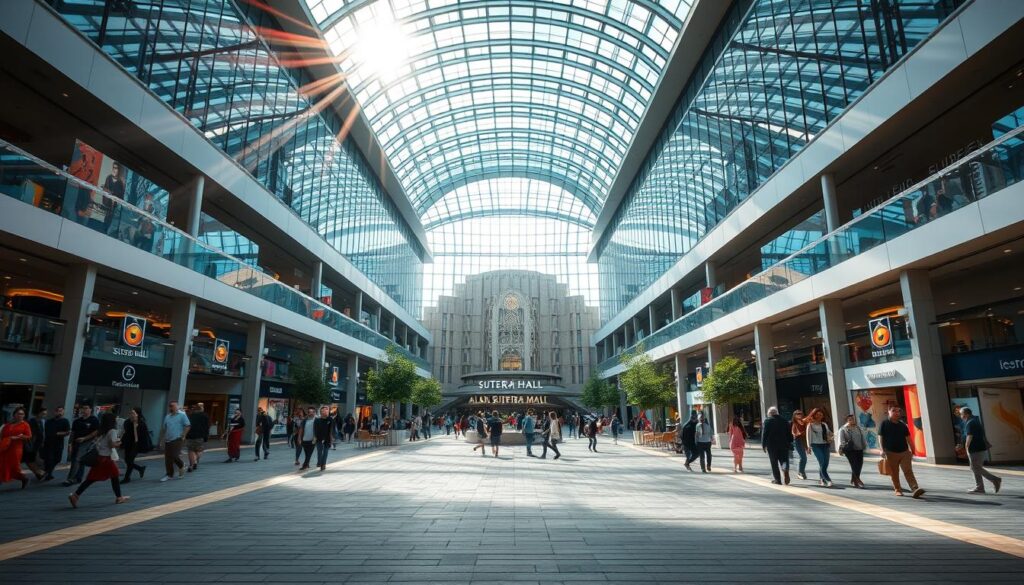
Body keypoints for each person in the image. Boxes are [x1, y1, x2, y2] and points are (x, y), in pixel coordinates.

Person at [68, 411, 129, 507]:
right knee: (113, 476)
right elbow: (112, 445)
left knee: (95, 478)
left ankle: (75, 495)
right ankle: (119, 498)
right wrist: (120, 442)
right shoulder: (112, 431)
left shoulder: (102, 431)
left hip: (100, 457)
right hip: (106, 459)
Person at [879, 406, 925, 498]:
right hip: (890, 452)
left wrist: (912, 450)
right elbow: (880, 437)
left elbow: (908, 438)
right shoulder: (884, 423)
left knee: (908, 471)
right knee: (894, 472)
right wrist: (882, 450)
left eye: (898, 411)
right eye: (893, 411)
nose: (896, 413)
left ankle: (914, 488)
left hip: (904, 452)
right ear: (888, 412)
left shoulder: (902, 425)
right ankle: (897, 489)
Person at [960, 407, 1002, 494]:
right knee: (975, 467)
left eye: (961, 414)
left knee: (975, 467)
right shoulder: (974, 421)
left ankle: (995, 480)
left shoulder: (970, 423)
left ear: (966, 414)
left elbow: (969, 436)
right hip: (979, 448)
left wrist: (966, 448)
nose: (961, 416)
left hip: (975, 449)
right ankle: (980, 487)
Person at [63, 404, 100, 486]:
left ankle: (70, 479)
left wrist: (85, 438)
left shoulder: (94, 420)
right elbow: (73, 433)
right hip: (76, 443)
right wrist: (69, 444)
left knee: (77, 459)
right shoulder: (77, 421)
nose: (84, 410)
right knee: (77, 460)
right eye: (83, 408)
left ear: (90, 410)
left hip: (87, 443)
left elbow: (96, 432)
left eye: (86, 408)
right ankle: (78, 478)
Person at [0, 406, 33, 489]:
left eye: (22, 414)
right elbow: (2, 436)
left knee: (14, 467)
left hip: (16, 449)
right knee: (2, 465)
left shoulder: (25, 425)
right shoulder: (8, 425)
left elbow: (29, 436)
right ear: (14, 415)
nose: (20, 415)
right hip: (5, 447)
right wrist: (8, 439)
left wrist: (19, 437)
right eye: (18, 414)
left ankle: (23, 478)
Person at [159, 401, 191, 482]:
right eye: (170, 406)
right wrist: (161, 440)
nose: (171, 407)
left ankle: (182, 465)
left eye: (172, 406)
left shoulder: (182, 415)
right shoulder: (167, 416)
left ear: (177, 406)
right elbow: (164, 429)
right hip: (168, 439)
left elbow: (188, 425)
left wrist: (183, 435)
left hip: (177, 439)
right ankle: (169, 474)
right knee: (168, 458)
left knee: (174, 455)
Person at [761, 406, 792, 484]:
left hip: (772, 446)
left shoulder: (767, 421)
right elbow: (789, 433)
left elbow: (764, 434)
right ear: (777, 413)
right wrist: (790, 442)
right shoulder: (784, 421)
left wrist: (763, 445)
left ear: (769, 414)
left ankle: (777, 480)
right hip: (784, 445)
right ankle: (785, 470)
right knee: (784, 460)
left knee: (774, 462)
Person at [805, 408, 834, 487]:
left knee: (825, 463)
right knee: (822, 462)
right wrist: (808, 447)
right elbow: (808, 436)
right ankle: (828, 480)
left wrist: (832, 436)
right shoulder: (810, 425)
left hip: (825, 445)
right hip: (815, 445)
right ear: (814, 415)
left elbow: (829, 433)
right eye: (817, 414)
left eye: (821, 414)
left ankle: (821, 479)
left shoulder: (824, 424)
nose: (819, 416)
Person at [121, 407, 149, 482]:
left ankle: (127, 478)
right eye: (131, 413)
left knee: (130, 460)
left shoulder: (141, 424)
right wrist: (121, 441)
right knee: (127, 460)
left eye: (133, 413)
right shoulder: (127, 422)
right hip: (128, 443)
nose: (131, 415)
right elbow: (125, 433)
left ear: (138, 414)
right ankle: (140, 468)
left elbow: (138, 438)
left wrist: (135, 426)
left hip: (136, 444)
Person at [43, 406, 71, 481]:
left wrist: (59, 433)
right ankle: (48, 473)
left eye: (61, 411)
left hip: (59, 443)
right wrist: (59, 433)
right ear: (55, 412)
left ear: (63, 412)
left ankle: (47, 472)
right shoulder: (49, 421)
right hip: (49, 443)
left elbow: (68, 432)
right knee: (49, 459)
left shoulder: (65, 421)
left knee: (58, 459)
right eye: (58, 411)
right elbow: (48, 432)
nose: (60, 412)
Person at [837, 414, 865, 488]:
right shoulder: (843, 429)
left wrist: (864, 446)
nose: (852, 420)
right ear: (847, 421)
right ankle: (857, 480)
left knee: (859, 464)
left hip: (859, 448)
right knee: (854, 465)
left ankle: (854, 480)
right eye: (850, 419)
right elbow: (841, 440)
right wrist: (840, 449)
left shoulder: (857, 428)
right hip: (849, 450)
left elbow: (862, 438)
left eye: (853, 419)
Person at [186, 402, 210, 472]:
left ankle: (191, 465)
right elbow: (206, 427)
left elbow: (188, 425)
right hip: (200, 435)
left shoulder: (191, 415)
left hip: (190, 435)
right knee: (199, 450)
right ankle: (195, 461)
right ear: (202, 408)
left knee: (191, 450)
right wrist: (206, 436)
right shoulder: (205, 416)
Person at [24, 406, 46, 481]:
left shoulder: (41, 421)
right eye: (43, 414)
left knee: (31, 460)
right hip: (31, 445)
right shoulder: (32, 421)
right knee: (30, 460)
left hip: (37, 445)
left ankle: (39, 473)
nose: (44, 415)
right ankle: (40, 473)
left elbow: (41, 434)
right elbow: (31, 434)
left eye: (45, 414)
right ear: (38, 413)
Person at [313, 406, 334, 471]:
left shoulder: (330, 419)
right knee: (319, 452)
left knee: (325, 452)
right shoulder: (317, 420)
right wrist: (314, 437)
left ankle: (323, 464)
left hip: (327, 439)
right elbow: (314, 429)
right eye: (324, 410)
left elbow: (331, 429)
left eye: (327, 410)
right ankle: (319, 462)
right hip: (319, 438)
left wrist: (331, 439)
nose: (326, 412)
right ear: (321, 412)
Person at [790, 409, 808, 480]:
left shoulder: (803, 421)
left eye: (800, 413)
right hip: (798, 441)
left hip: (804, 440)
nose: (799, 415)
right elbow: (793, 432)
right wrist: (799, 433)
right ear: (794, 415)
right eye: (797, 414)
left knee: (804, 457)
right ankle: (801, 472)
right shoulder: (794, 423)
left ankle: (801, 471)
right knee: (803, 457)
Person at [298, 406, 317, 470]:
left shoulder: (317, 420)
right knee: (306, 454)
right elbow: (301, 429)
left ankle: (304, 465)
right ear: (308, 413)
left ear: (315, 413)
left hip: (313, 440)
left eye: (312, 412)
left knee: (309, 454)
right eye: (309, 412)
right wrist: (299, 438)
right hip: (304, 440)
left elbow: (319, 430)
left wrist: (316, 438)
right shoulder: (304, 420)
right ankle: (307, 464)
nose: (311, 413)